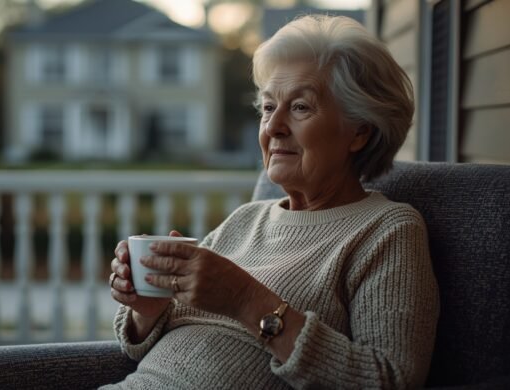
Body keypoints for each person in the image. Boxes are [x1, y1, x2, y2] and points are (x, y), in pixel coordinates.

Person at [105, 14, 439, 389]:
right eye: (267, 107)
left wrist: (246, 300)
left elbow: (390, 379)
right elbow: (139, 350)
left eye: (299, 107)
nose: (273, 126)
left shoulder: (386, 230)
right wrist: (148, 311)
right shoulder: (245, 220)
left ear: (359, 131)